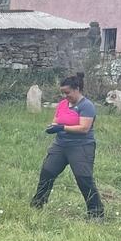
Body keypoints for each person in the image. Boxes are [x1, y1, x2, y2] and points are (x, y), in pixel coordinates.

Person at [32, 72, 104, 219]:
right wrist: (52, 127)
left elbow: (84, 128)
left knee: (83, 178)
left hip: (81, 146)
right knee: (47, 172)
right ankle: (38, 204)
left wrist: (62, 128)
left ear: (77, 89)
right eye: (63, 93)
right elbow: (56, 121)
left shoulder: (87, 106)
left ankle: (96, 213)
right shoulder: (63, 104)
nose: (65, 96)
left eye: (67, 92)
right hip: (60, 145)